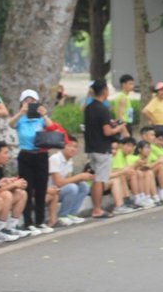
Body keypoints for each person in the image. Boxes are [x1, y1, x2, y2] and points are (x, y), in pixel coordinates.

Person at [10, 90, 54, 234]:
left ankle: (40, 221)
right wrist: (21, 112)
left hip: (41, 155)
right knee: (27, 189)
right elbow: (11, 124)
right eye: (27, 101)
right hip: (25, 155)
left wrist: (44, 114)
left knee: (41, 189)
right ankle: (28, 222)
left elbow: (51, 127)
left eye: (33, 101)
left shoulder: (40, 118)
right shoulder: (20, 118)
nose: (30, 104)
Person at [84, 79, 128, 218]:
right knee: (100, 179)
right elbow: (107, 132)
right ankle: (97, 209)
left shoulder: (89, 108)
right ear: (104, 91)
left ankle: (96, 208)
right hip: (102, 148)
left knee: (97, 178)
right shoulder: (102, 108)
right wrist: (119, 128)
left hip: (91, 147)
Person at [0, 141, 31, 239]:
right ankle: (0, 230)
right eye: (6, 153)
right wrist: (13, 185)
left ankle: (12, 227)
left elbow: (0, 186)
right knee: (6, 194)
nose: (8, 156)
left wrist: (12, 183)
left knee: (21, 193)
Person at [48, 138, 92, 226]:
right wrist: (79, 176)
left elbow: (69, 179)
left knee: (84, 186)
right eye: (70, 146)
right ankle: (62, 215)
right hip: (52, 191)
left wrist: (82, 178)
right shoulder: (55, 158)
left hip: (62, 189)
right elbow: (58, 183)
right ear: (63, 146)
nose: (73, 149)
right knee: (72, 187)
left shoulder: (70, 161)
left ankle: (71, 214)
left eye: (75, 147)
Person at [141, 82, 163, 149]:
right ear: (157, 92)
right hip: (158, 127)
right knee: (159, 147)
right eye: (161, 90)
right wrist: (153, 120)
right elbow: (145, 111)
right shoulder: (155, 101)